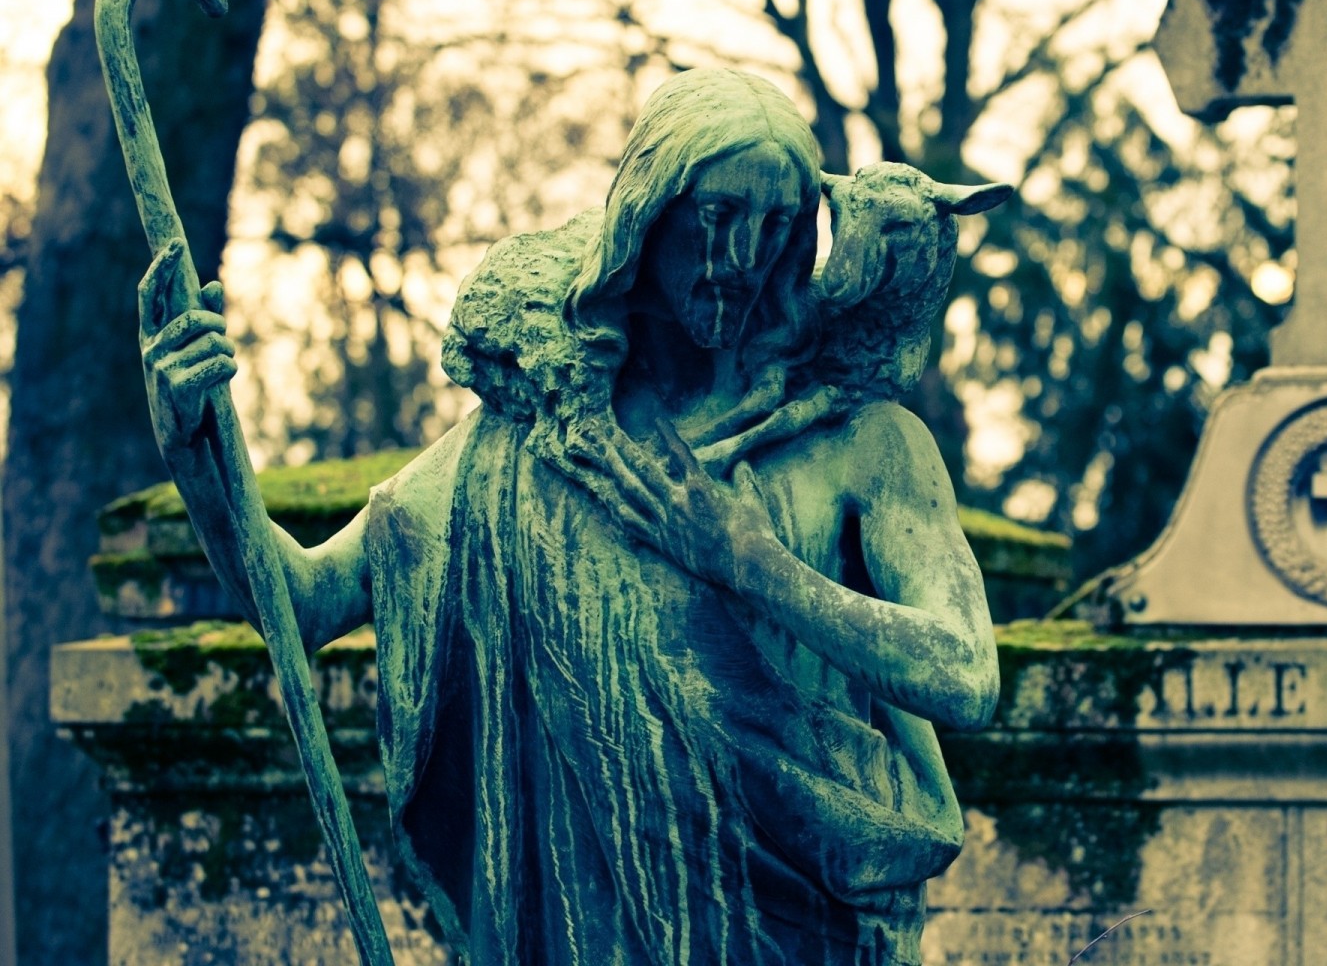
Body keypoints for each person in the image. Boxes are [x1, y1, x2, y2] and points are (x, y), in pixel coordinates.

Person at [138, 68, 999, 964]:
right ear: (645, 214)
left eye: (776, 227)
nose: (742, 258)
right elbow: (301, 599)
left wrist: (752, 564)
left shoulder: (860, 440)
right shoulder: (534, 443)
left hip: (802, 928)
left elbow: (967, 674)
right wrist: (197, 451)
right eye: (716, 217)